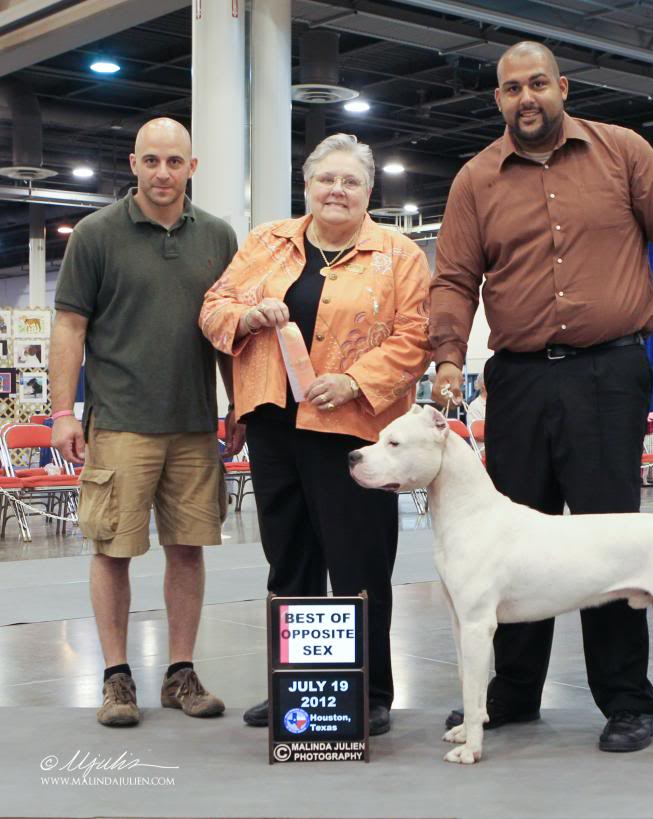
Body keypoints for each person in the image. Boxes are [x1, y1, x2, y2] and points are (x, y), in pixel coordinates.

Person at [430, 41, 653, 753]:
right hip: (519, 379)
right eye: (510, 89)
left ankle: (626, 702)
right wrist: (445, 359)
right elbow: (452, 279)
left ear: (562, 86)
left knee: (608, 539)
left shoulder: (624, 152)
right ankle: (511, 694)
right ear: (498, 99)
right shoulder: (475, 179)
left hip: (609, 375)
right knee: (513, 545)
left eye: (538, 83)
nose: (525, 97)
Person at [199, 133, 430, 736]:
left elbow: (415, 338)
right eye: (326, 179)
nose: (337, 190)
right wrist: (246, 317)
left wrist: (354, 381)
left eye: (350, 181)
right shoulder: (266, 243)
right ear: (307, 186)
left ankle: (371, 692)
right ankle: (295, 690)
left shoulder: (398, 253)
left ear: (368, 191)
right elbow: (214, 306)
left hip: (353, 433)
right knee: (290, 562)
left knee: (360, 563)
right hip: (275, 423)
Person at [49, 117, 241, 727]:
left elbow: (228, 332)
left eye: (175, 162)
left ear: (192, 166)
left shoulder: (217, 236)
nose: (163, 173)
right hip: (120, 423)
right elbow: (70, 327)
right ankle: (115, 679)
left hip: (192, 424)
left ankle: (180, 674)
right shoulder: (96, 234)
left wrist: (239, 404)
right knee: (114, 550)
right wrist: (60, 413)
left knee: (188, 549)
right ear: (133, 163)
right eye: (152, 161)